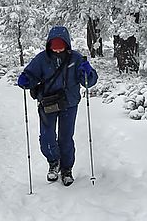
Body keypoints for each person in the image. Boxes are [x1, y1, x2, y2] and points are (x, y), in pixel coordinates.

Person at [16, 25, 98, 186]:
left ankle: (67, 169)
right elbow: (30, 75)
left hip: (69, 103)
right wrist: (25, 80)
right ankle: (54, 162)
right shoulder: (41, 59)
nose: (58, 50)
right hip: (48, 103)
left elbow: (89, 82)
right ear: (49, 45)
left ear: (67, 44)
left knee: (66, 138)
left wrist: (88, 73)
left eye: (61, 45)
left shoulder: (76, 59)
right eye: (54, 46)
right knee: (46, 137)